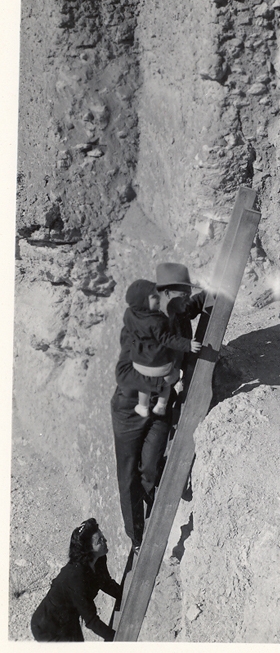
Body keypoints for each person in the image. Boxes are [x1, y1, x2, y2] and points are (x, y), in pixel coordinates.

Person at [111, 263, 206, 553]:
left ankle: (151, 490)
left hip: (161, 405)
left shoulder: (175, 311)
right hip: (130, 407)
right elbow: (124, 373)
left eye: (184, 292)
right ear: (160, 294)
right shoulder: (136, 330)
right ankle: (137, 537)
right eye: (177, 292)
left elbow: (193, 305)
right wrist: (163, 384)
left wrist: (214, 292)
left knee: (149, 466)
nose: (181, 298)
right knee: (128, 476)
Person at [30, 518, 121, 642]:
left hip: (70, 616)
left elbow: (105, 583)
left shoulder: (99, 559)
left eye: (102, 536)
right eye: (99, 541)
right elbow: (91, 620)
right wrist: (119, 638)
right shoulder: (75, 577)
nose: (105, 540)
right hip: (48, 627)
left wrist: (125, 595)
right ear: (88, 550)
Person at [123, 278, 201, 417]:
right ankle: (160, 405)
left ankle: (148, 406)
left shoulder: (130, 316)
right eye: (153, 297)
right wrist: (188, 345)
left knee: (148, 387)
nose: (158, 298)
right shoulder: (156, 321)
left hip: (142, 365)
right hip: (157, 368)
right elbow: (166, 339)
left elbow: (193, 304)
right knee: (167, 382)